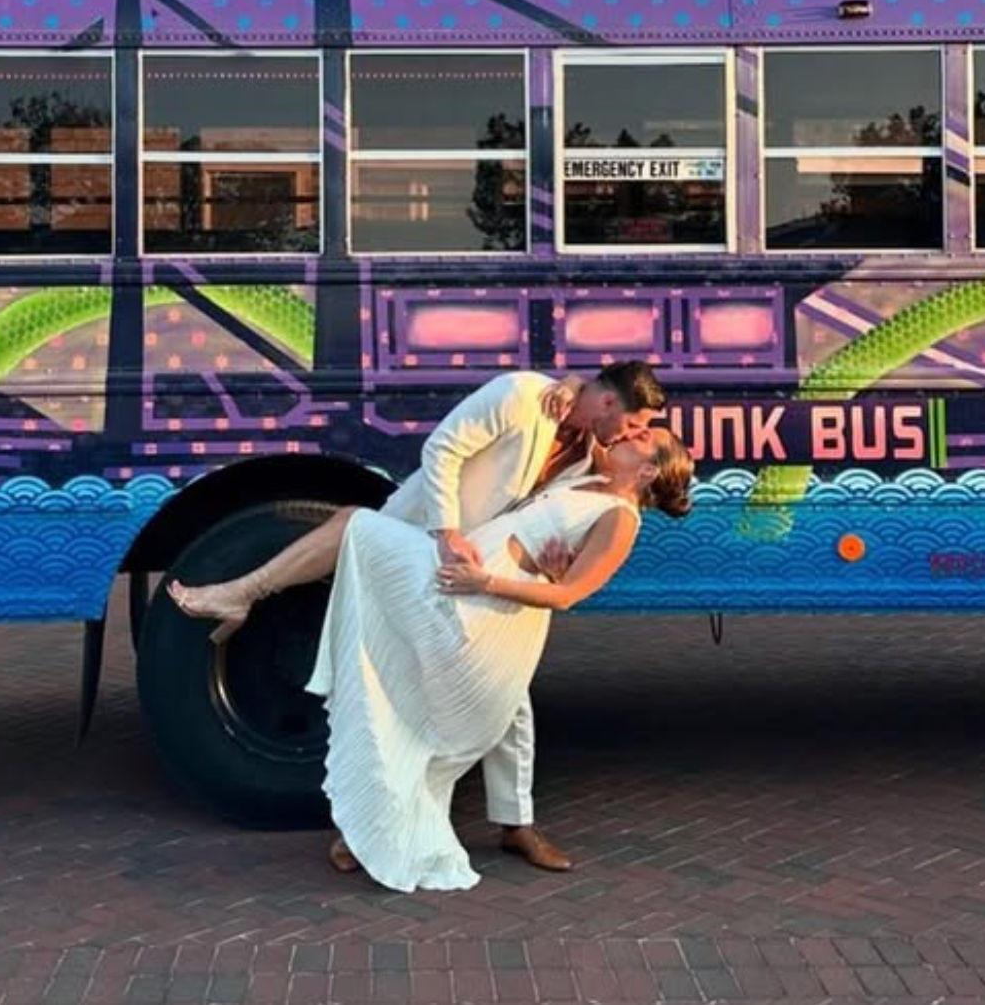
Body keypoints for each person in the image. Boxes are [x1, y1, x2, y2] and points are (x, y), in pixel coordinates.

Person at [168, 361, 667, 872]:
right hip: (439, 543)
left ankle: (513, 824)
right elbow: (443, 449)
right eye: (633, 424)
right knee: (363, 564)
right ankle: (380, 823)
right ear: (609, 405)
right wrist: (445, 530)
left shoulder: (591, 456)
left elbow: (568, 518)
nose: (633, 434)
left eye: (640, 434)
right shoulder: (521, 396)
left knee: (504, 697)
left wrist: (549, 560)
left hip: (485, 577)